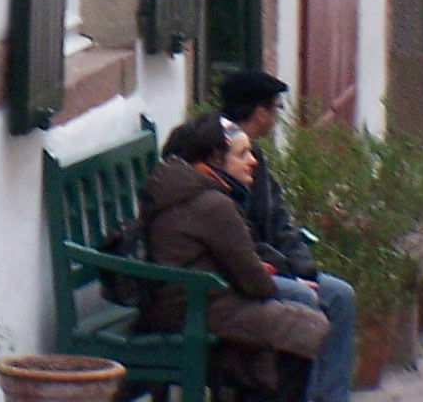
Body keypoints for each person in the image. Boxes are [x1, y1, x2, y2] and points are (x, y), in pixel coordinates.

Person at [136, 111, 329, 400]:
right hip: (193, 310)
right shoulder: (212, 203)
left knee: (294, 322)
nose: (253, 161)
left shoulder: (193, 188)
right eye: (241, 154)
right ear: (215, 159)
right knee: (303, 326)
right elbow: (256, 284)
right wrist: (270, 276)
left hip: (193, 301)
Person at [219, 70, 357, 402]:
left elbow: (280, 221)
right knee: (304, 301)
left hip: (269, 266)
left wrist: (303, 268)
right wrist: (288, 274)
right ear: (261, 112)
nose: (248, 160)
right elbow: (238, 245)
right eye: (275, 109)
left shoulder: (254, 157)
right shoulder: (222, 160)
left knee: (340, 295)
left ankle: (330, 397)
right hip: (238, 278)